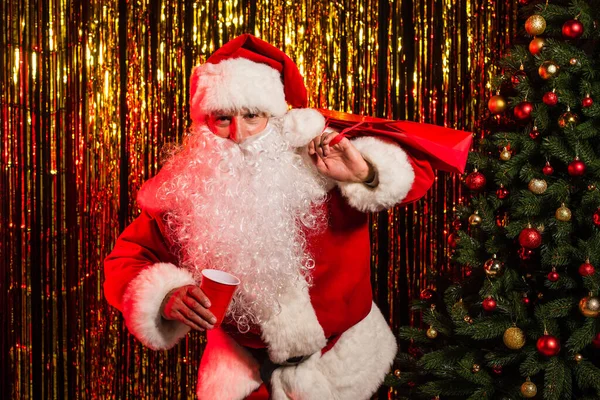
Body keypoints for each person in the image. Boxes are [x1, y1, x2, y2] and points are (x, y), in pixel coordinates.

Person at [104, 34, 463, 399]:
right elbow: (126, 260)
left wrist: (366, 174)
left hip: (350, 366)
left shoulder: (325, 161)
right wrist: (165, 296)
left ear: (277, 118)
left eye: (252, 116)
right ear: (204, 124)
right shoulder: (187, 192)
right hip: (246, 378)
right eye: (223, 118)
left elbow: (419, 169)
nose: (238, 135)